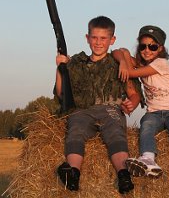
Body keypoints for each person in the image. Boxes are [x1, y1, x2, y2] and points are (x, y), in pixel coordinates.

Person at [55, 16, 142, 194]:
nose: (98, 42)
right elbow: (61, 93)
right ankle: (73, 173)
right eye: (94, 37)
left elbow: (134, 94)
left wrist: (131, 105)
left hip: (110, 108)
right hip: (82, 110)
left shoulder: (117, 63)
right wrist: (60, 68)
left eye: (103, 38)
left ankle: (123, 174)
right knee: (76, 130)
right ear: (87, 38)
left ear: (112, 40)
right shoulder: (76, 63)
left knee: (115, 131)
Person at [113, 25, 169, 184]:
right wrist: (123, 56)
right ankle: (148, 159)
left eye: (152, 46)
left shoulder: (162, 63)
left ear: (160, 48)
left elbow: (131, 73)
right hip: (153, 112)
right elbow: (117, 52)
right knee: (146, 126)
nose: (147, 50)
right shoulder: (143, 65)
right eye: (143, 46)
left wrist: (126, 62)